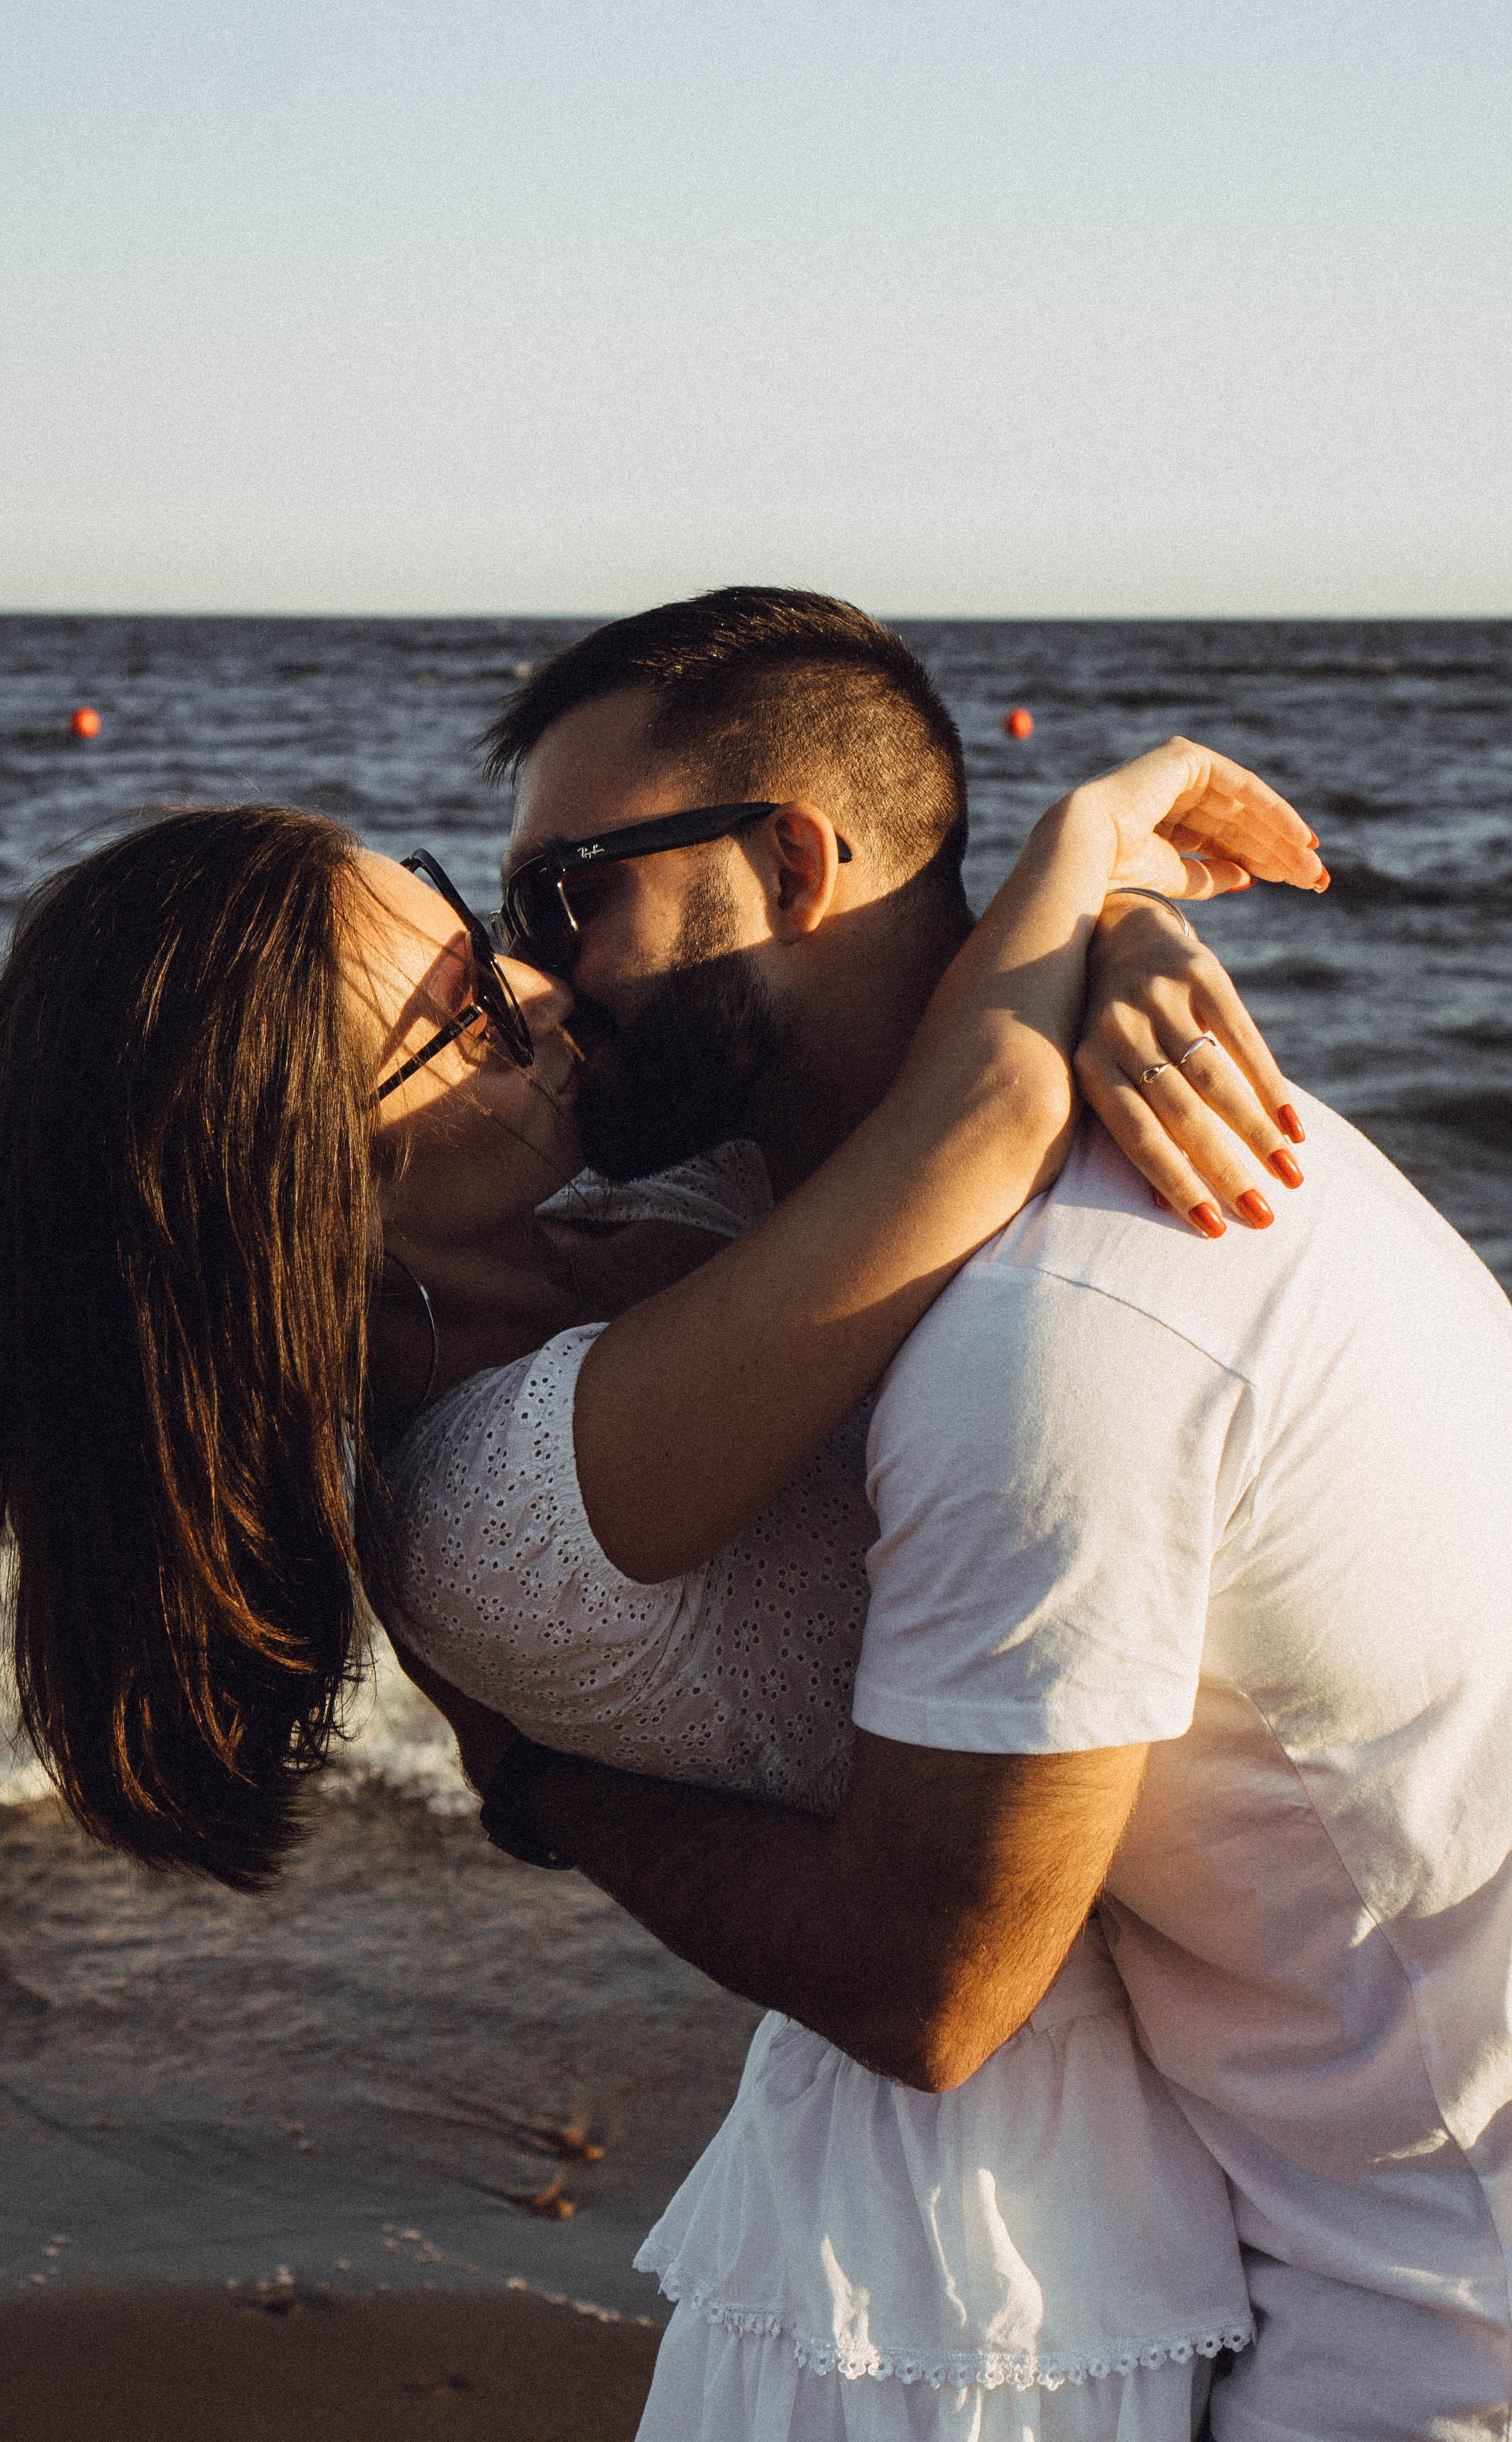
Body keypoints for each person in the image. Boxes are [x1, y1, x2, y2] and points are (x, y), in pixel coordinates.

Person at [440, 589, 1512, 2442]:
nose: (536, 981)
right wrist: (1093, 915)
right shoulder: (984, 1193)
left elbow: (927, 1983)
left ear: (786, 862)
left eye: (567, 900)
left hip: (1483, 2352)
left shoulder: (1054, 1329)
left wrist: (546, 1785)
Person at [0, 664, 1320, 2434]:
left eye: (492, 932)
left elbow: (882, 1054)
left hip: (1106, 2111)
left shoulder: (616, 1221)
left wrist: (1131, 952)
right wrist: (1088, 845)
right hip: (970, 2243)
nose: (542, 990)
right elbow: (977, 1122)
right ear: (307, 1179)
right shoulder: (492, 1495)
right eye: (468, 1002)